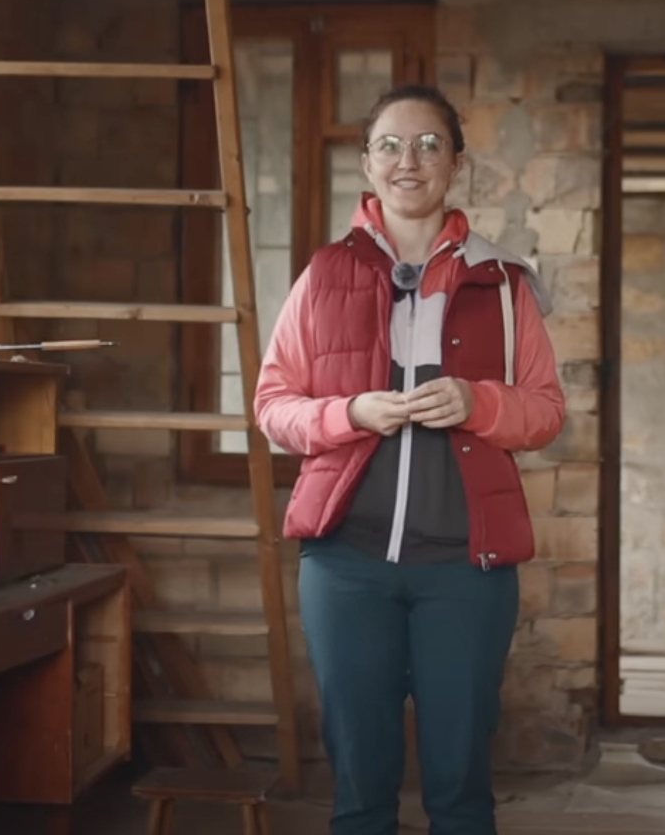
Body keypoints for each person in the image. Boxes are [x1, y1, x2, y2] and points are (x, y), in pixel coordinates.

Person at [253, 84, 566, 835]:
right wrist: (349, 414)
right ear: (366, 163)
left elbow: (546, 412)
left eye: (430, 144)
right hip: (345, 565)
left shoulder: (503, 283)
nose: (409, 160)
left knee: (460, 787)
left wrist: (478, 402)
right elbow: (272, 407)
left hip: (466, 569)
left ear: (456, 162)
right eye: (390, 145)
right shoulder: (322, 274)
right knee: (361, 789)